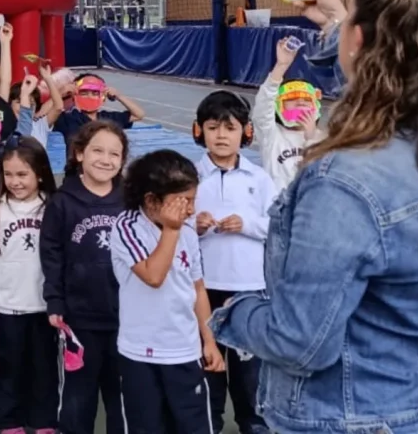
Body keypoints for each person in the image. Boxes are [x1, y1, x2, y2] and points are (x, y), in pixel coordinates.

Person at [212, 0, 418, 434]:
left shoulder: (343, 185)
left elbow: (301, 342)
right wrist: (340, 18)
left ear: (359, 41)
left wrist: (231, 313)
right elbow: (408, 69)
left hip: (355, 418)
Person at [110, 150, 224, 434]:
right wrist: (171, 231)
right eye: (183, 202)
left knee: (193, 425)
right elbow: (153, 275)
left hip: (184, 350)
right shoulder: (127, 228)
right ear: (151, 200)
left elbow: (197, 286)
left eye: (193, 200)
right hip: (139, 354)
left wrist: (208, 340)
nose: (190, 210)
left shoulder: (186, 232)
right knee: (146, 426)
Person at [192, 91, 274, 434]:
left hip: (248, 291)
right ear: (199, 131)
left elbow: (279, 226)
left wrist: (247, 224)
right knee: (208, 369)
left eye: (230, 128)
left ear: (246, 132)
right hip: (203, 291)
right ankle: (208, 425)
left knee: (250, 377)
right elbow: (170, 227)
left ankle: (253, 425)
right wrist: (192, 226)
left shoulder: (259, 179)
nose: (221, 135)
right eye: (213, 127)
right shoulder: (190, 177)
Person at [40, 122, 127, 434]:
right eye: (98, 151)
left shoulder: (129, 201)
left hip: (125, 319)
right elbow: (51, 255)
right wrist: (55, 302)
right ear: (79, 154)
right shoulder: (62, 202)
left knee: (123, 399)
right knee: (78, 398)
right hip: (79, 320)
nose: (106, 159)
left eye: (114, 154)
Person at [0, 136, 59, 434]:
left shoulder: (52, 209)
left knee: (45, 370)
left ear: (40, 173)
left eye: (22, 174)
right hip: (8, 309)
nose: (15, 181)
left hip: (45, 309)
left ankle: (44, 421)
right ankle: (9, 423)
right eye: (8, 174)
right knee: (8, 370)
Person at [251, 38, 324, 192]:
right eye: (292, 99)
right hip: (278, 209)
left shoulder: (325, 139)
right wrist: (281, 66)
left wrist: (312, 139)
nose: (301, 103)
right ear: (278, 105)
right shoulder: (271, 135)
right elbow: (264, 105)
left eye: (306, 100)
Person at [53, 73, 144, 148]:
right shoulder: (68, 119)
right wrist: (60, 93)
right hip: (77, 168)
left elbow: (139, 114)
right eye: (84, 93)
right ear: (74, 96)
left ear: (103, 97)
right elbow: (42, 118)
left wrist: (119, 96)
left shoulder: (109, 118)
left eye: (95, 93)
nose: (89, 96)